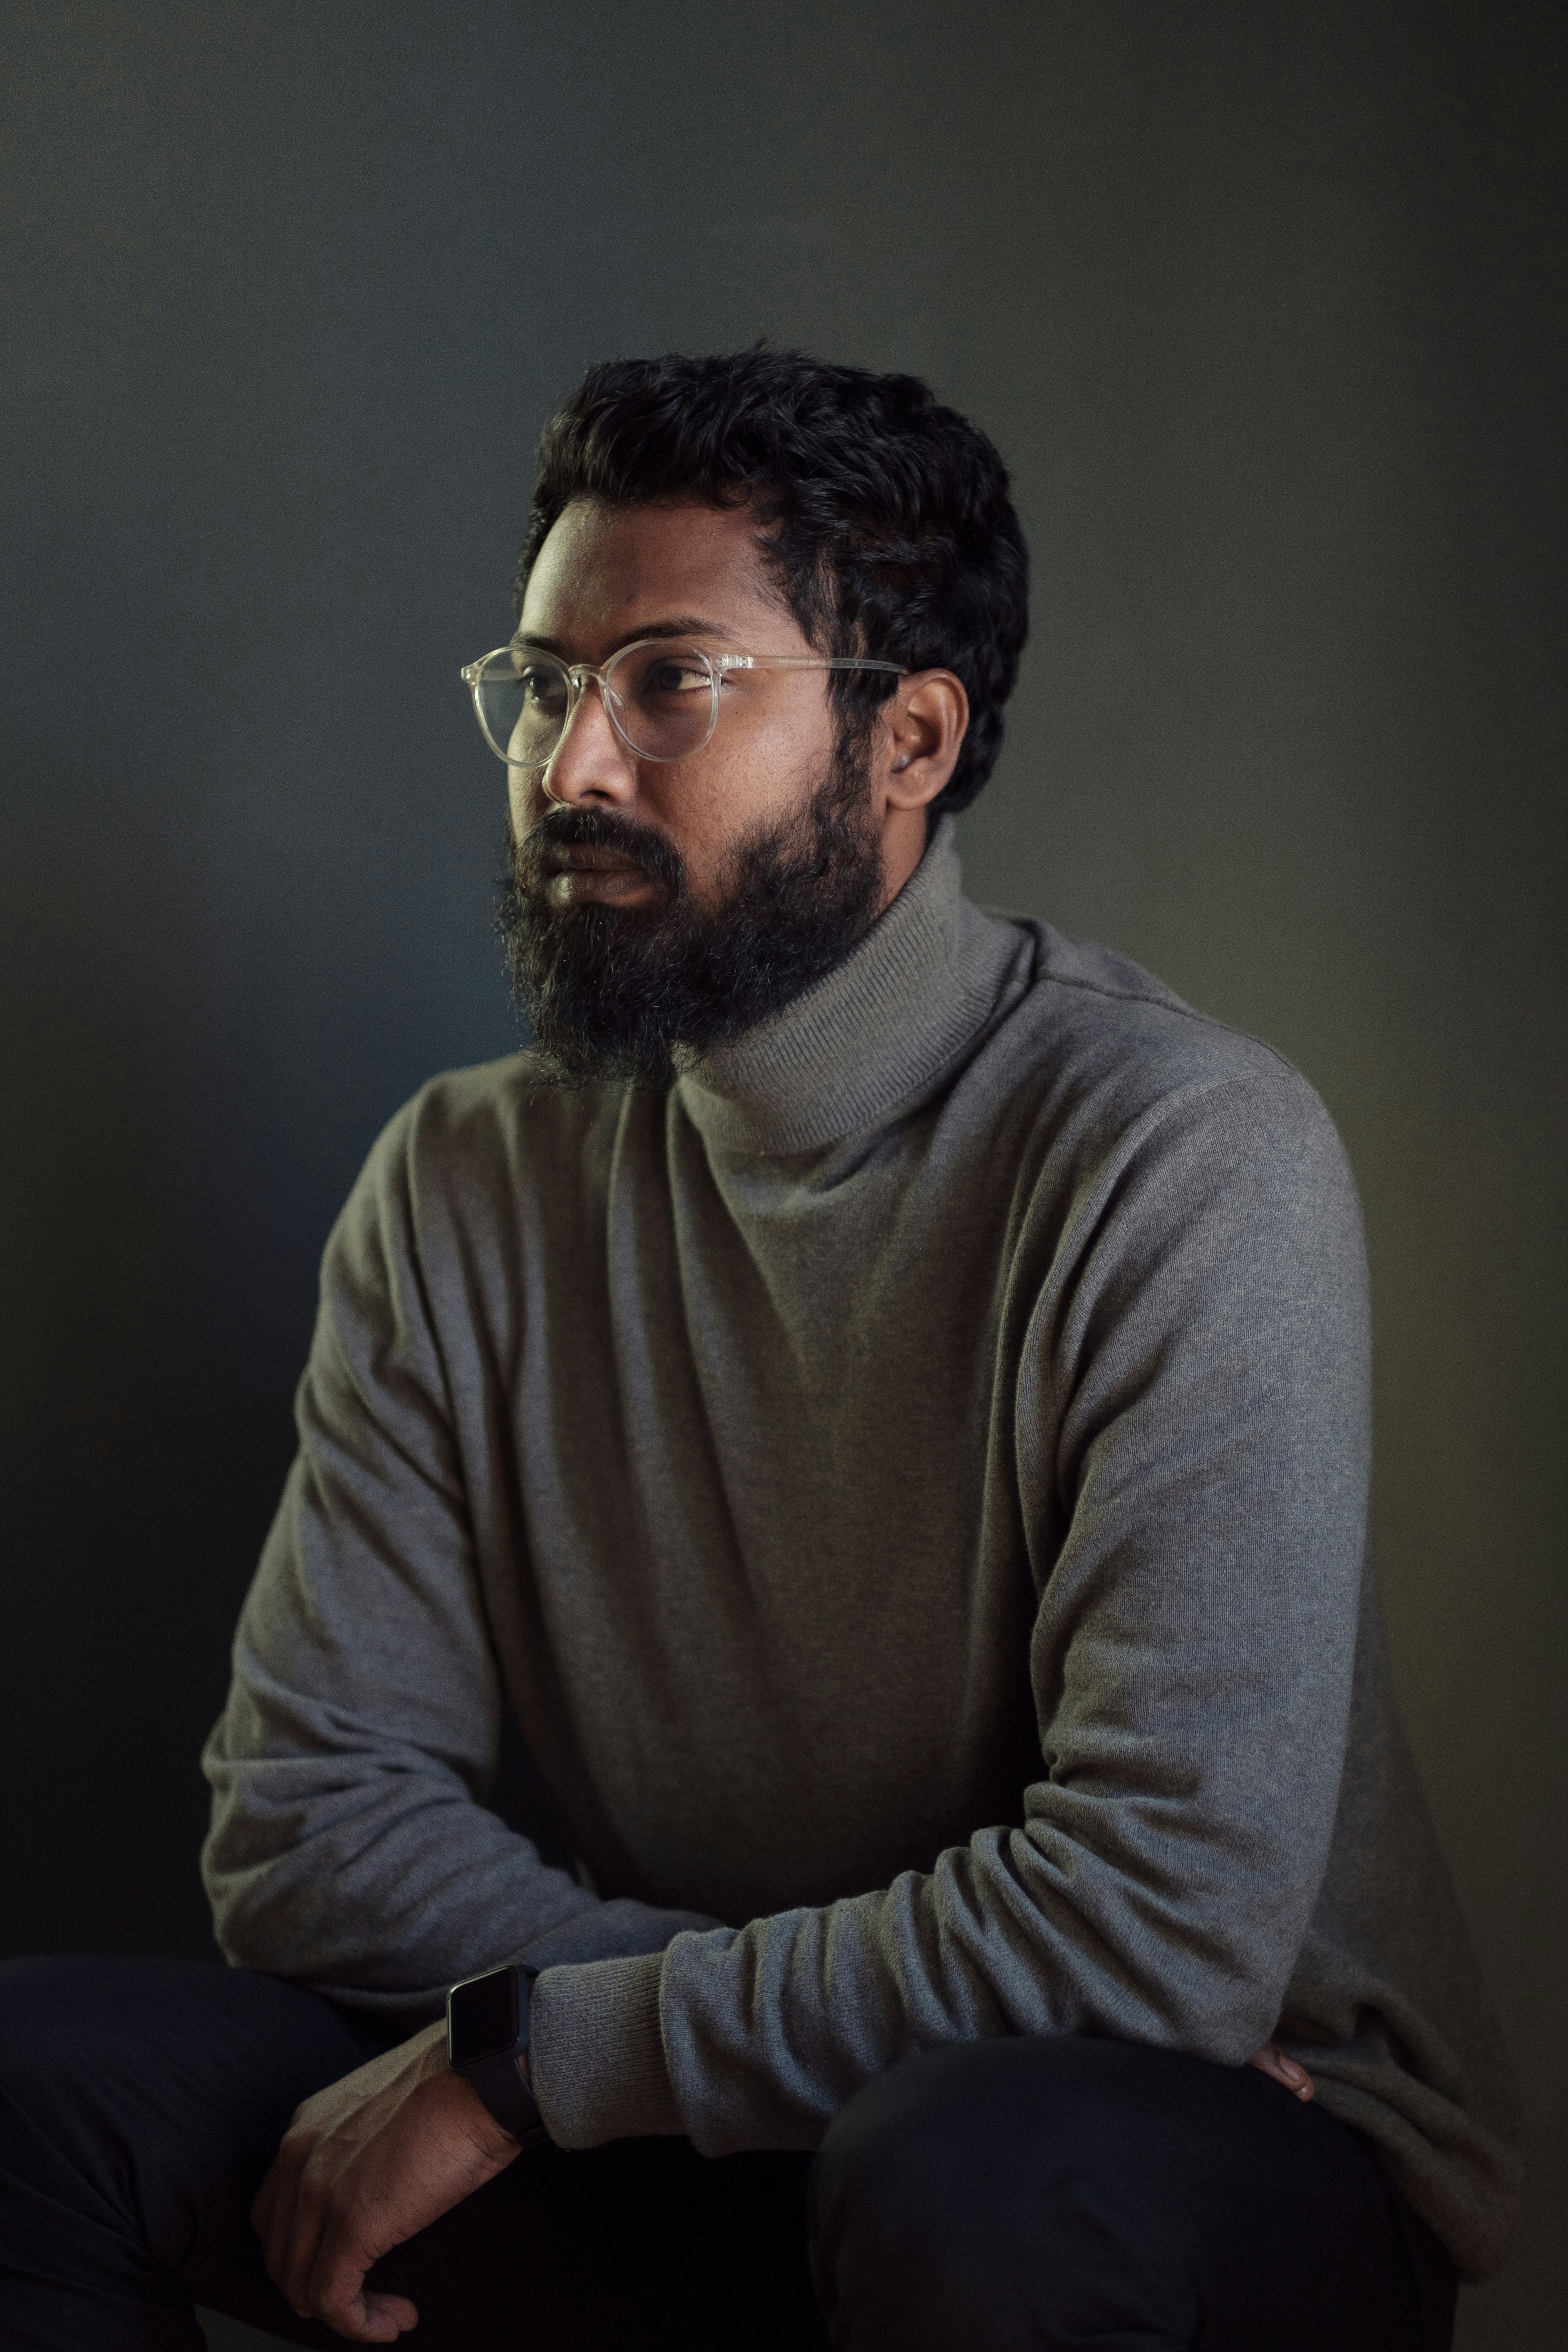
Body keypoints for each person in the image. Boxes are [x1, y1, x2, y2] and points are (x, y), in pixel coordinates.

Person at [0, 348, 1523, 2352]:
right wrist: (640, 2037)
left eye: (667, 681)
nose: (569, 767)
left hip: (1186, 2147)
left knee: (979, 2161)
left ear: (907, 738)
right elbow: (300, 1828)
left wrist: (560, 2049)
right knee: (36, 2086)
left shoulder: (1182, 1157)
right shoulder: (464, 1182)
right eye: (543, 684)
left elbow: (1156, 1935)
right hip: (722, 2104)